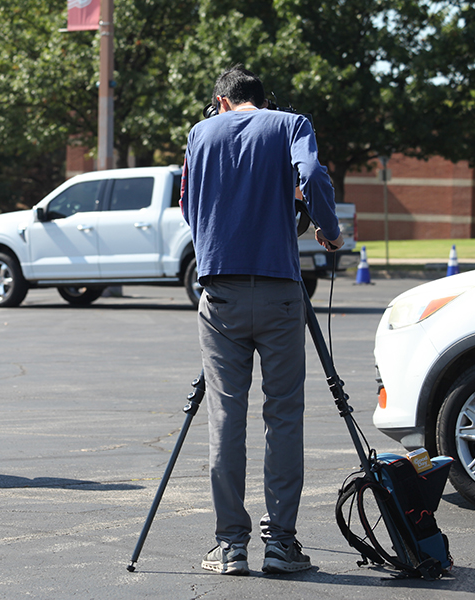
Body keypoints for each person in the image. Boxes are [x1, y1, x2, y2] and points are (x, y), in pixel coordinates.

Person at [180, 65, 344, 575]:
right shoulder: (291, 124)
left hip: (220, 291)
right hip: (278, 290)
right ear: (260, 98)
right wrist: (327, 227)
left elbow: (188, 206)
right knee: (284, 416)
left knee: (226, 417)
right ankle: (281, 543)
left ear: (221, 101)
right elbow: (313, 175)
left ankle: (230, 545)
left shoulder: (199, 134)